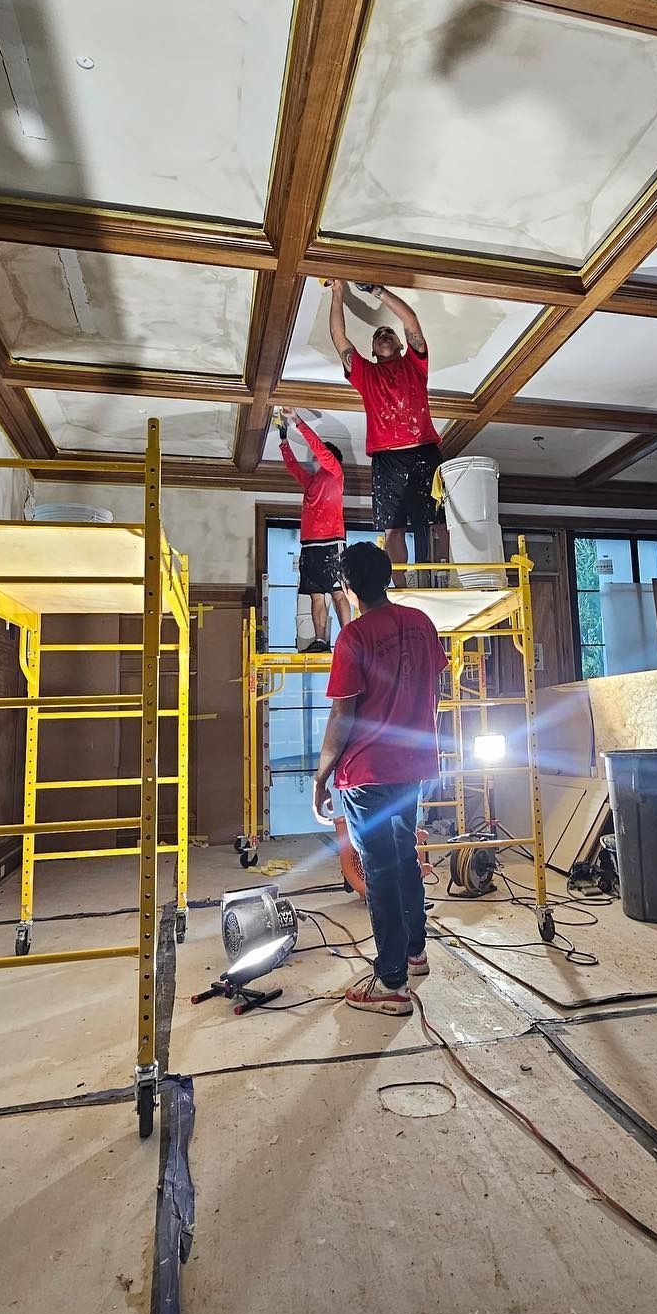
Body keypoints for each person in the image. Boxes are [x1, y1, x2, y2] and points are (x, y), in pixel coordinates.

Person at [313, 541, 447, 1016]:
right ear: (388, 577)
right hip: (414, 765)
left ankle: (390, 983)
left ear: (348, 587)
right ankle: (415, 953)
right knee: (404, 856)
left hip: (367, 773)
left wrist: (320, 775)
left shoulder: (353, 637)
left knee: (382, 869)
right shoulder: (423, 624)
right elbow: (434, 686)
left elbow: (342, 718)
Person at [328, 279, 441, 578]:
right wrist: (338, 292)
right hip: (386, 460)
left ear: (402, 345)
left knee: (434, 521)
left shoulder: (415, 365)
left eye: (388, 331)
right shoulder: (366, 375)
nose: (383, 334)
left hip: (423, 453)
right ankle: (401, 588)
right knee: (394, 528)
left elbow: (410, 320)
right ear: (373, 351)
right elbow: (339, 338)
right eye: (378, 335)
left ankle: (435, 580)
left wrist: (378, 291)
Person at [276, 409, 351, 651]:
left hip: (332, 542)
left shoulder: (335, 472)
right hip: (309, 545)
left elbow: (319, 447)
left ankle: (349, 637)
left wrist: (297, 420)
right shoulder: (311, 480)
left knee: (338, 591)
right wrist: (283, 439)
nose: (315, 457)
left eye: (320, 455)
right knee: (315, 594)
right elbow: (292, 467)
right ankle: (321, 641)